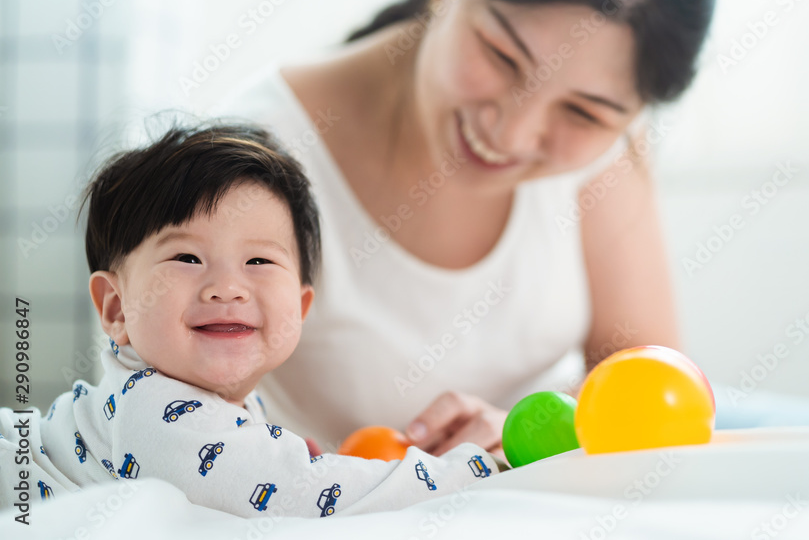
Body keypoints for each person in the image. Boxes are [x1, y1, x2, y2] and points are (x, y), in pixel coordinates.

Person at [208, 0, 719, 456]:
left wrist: (532, 434)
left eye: (584, 113)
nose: (511, 132)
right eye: (503, 57)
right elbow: (168, 423)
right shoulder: (251, 157)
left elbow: (646, 380)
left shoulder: (608, 147)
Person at [0, 122, 498, 519]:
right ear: (115, 308)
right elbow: (306, 497)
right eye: (187, 258)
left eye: (259, 262)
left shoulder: (209, 400)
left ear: (300, 310)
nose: (227, 287)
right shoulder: (150, 406)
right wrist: (476, 470)